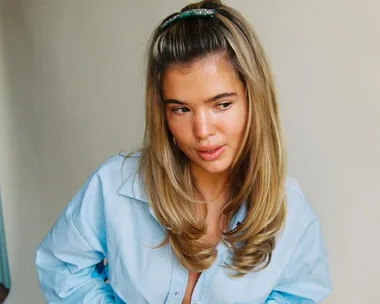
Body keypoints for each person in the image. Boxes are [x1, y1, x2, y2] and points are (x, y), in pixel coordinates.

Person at [35, 1, 332, 303]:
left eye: (222, 105)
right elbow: (61, 267)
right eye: (181, 109)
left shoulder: (290, 211)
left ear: (253, 99)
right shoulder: (114, 186)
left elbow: (299, 295)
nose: (202, 130)